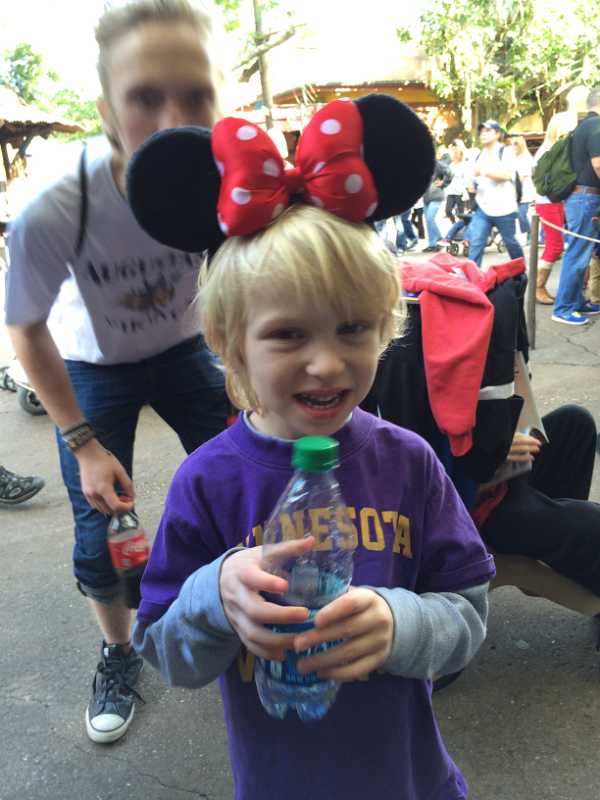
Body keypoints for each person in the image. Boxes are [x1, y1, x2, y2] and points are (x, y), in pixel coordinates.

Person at [125, 93, 495, 798]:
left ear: (385, 328)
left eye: (352, 329)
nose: (327, 363)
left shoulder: (408, 461)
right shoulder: (208, 482)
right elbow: (165, 652)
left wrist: (401, 623)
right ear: (231, 343)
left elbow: (469, 613)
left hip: (409, 780)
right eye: (289, 334)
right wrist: (215, 595)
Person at [4, 0, 230, 744]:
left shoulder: (229, 180)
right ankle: (119, 650)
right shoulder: (56, 205)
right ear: (106, 112)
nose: (173, 120)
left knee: (254, 477)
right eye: (145, 98)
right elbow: (25, 328)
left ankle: (246, 608)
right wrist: (83, 444)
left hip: (186, 349)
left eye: (195, 95)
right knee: (101, 529)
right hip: (91, 367)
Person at [476, 405, 600, 597]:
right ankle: (571, 538)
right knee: (592, 522)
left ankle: (567, 557)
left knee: (575, 422)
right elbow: (440, 488)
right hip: (475, 510)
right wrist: (491, 461)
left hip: (498, 479)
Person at [552, 87, 600, 325]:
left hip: (580, 197)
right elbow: (598, 164)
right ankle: (563, 308)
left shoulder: (583, 126)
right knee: (578, 254)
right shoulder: (596, 126)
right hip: (586, 198)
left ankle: (575, 301)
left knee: (580, 252)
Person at [532, 112, 577, 304]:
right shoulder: (551, 149)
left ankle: (539, 287)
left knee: (555, 245)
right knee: (555, 245)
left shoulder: (550, 148)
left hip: (552, 201)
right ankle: (538, 287)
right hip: (547, 202)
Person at [467, 120, 524, 267]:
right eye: (482, 131)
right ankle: (472, 276)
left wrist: (483, 172)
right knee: (476, 242)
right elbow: (473, 177)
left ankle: (520, 271)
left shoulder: (506, 151)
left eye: (488, 131)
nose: (483, 134)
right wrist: (471, 184)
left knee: (510, 242)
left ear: (497, 134)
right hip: (483, 207)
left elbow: (507, 175)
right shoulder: (478, 154)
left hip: (504, 208)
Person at [510, 135, 535, 240]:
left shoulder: (526, 158)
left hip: (524, 192)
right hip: (514, 192)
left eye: (515, 145)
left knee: (521, 214)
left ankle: (530, 233)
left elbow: (522, 177)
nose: (513, 147)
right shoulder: (514, 158)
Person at [444, 138, 469, 223]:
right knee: (448, 211)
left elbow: (466, 179)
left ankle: (462, 227)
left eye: (455, 152)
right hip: (451, 192)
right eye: (453, 152)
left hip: (460, 192)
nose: (454, 154)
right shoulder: (451, 165)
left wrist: (465, 190)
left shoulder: (464, 164)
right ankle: (454, 224)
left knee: (461, 214)